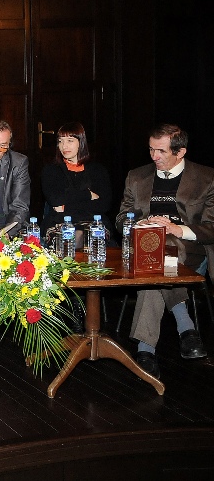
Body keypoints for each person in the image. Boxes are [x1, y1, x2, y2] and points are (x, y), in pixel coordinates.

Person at [116, 124, 211, 378]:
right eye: (151, 150)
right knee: (154, 260)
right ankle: (186, 327)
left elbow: (211, 226)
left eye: (161, 151)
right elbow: (121, 219)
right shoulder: (137, 176)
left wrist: (178, 229)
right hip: (145, 247)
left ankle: (145, 350)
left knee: (160, 255)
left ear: (180, 152)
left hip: (190, 251)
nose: (154, 156)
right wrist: (140, 224)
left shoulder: (206, 178)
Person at [42, 122, 112, 231]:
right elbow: (55, 200)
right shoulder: (52, 170)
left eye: (70, 141)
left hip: (93, 224)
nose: (64, 146)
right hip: (60, 223)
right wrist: (88, 194)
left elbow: (104, 205)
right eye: (60, 141)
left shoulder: (97, 170)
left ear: (81, 142)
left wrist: (66, 206)